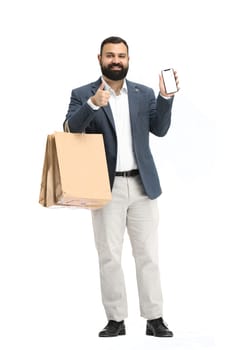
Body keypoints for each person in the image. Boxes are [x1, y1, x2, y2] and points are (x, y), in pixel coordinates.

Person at [64, 36, 179, 338]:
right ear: (99, 58)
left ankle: (154, 318)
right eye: (110, 55)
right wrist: (92, 105)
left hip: (143, 186)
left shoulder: (143, 93)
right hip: (105, 187)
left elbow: (161, 129)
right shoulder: (82, 94)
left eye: (122, 56)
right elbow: (70, 129)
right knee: (109, 255)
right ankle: (116, 319)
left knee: (148, 255)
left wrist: (166, 98)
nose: (116, 60)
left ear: (129, 59)